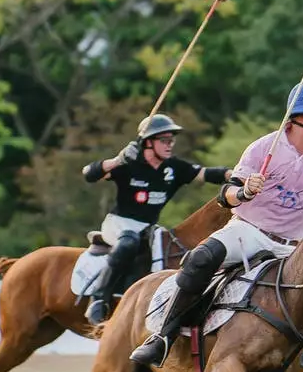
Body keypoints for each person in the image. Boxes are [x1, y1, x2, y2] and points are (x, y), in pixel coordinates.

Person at [130, 79, 303, 367]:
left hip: (297, 246)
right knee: (201, 258)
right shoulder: (264, 148)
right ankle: (164, 337)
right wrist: (245, 191)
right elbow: (226, 196)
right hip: (249, 232)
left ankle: (297, 359)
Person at [80, 114, 229, 325]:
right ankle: (98, 299)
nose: (170, 145)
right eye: (164, 140)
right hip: (119, 223)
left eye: (172, 140)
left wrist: (236, 174)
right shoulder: (129, 163)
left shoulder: (174, 168)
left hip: (149, 229)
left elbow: (206, 174)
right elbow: (89, 174)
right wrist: (117, 161)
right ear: (148, 142)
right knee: (129, 242)